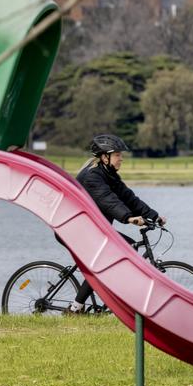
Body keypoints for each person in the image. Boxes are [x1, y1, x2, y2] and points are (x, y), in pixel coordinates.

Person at [68, 134, 165, 313]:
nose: (121, 159)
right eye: (118, 155)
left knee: (124, 250)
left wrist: (153, 215)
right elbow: (109, 200)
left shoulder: (108, 174)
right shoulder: (93, 176)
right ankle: (76, 308)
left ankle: (85, 304)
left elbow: (128, 197)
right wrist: (128, 217)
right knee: (115, 255)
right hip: (75, 230)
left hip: (92, 229)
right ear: (105, 157)